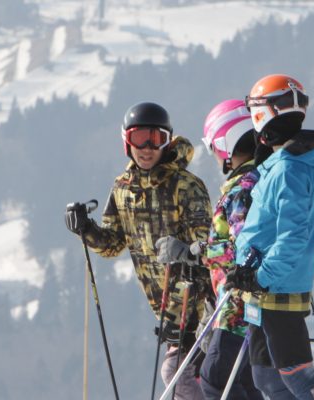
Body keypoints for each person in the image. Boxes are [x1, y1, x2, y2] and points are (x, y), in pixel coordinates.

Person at [65, 101, 213, 399]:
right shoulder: (122, 189)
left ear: (167, 141)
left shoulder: (185, 186)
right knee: (187, 379)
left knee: (178, 376)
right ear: (126, 141)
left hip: (199, 304)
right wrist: (86, 229)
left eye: (155, 139)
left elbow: (210, 247)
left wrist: (186, 252)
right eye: (138, 138)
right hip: (166, 310)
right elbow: (112, 244)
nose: (146, 148)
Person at [227, 74, 314, 400]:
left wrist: (260, 275)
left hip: (277, 290)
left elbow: (294, 237)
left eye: (255, 111)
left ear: (266, 114)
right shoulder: (286, 165)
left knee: (297, 375)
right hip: (264, 292)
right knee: (265, 378)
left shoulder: (290, 170)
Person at [194, 99, 263, 399]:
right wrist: (202, 251)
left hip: (237, 308)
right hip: (249, 308)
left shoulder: (241, 190)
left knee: (214, 378)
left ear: (225, 144)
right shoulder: (257, 180)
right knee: (246, 382)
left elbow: (245, 242)